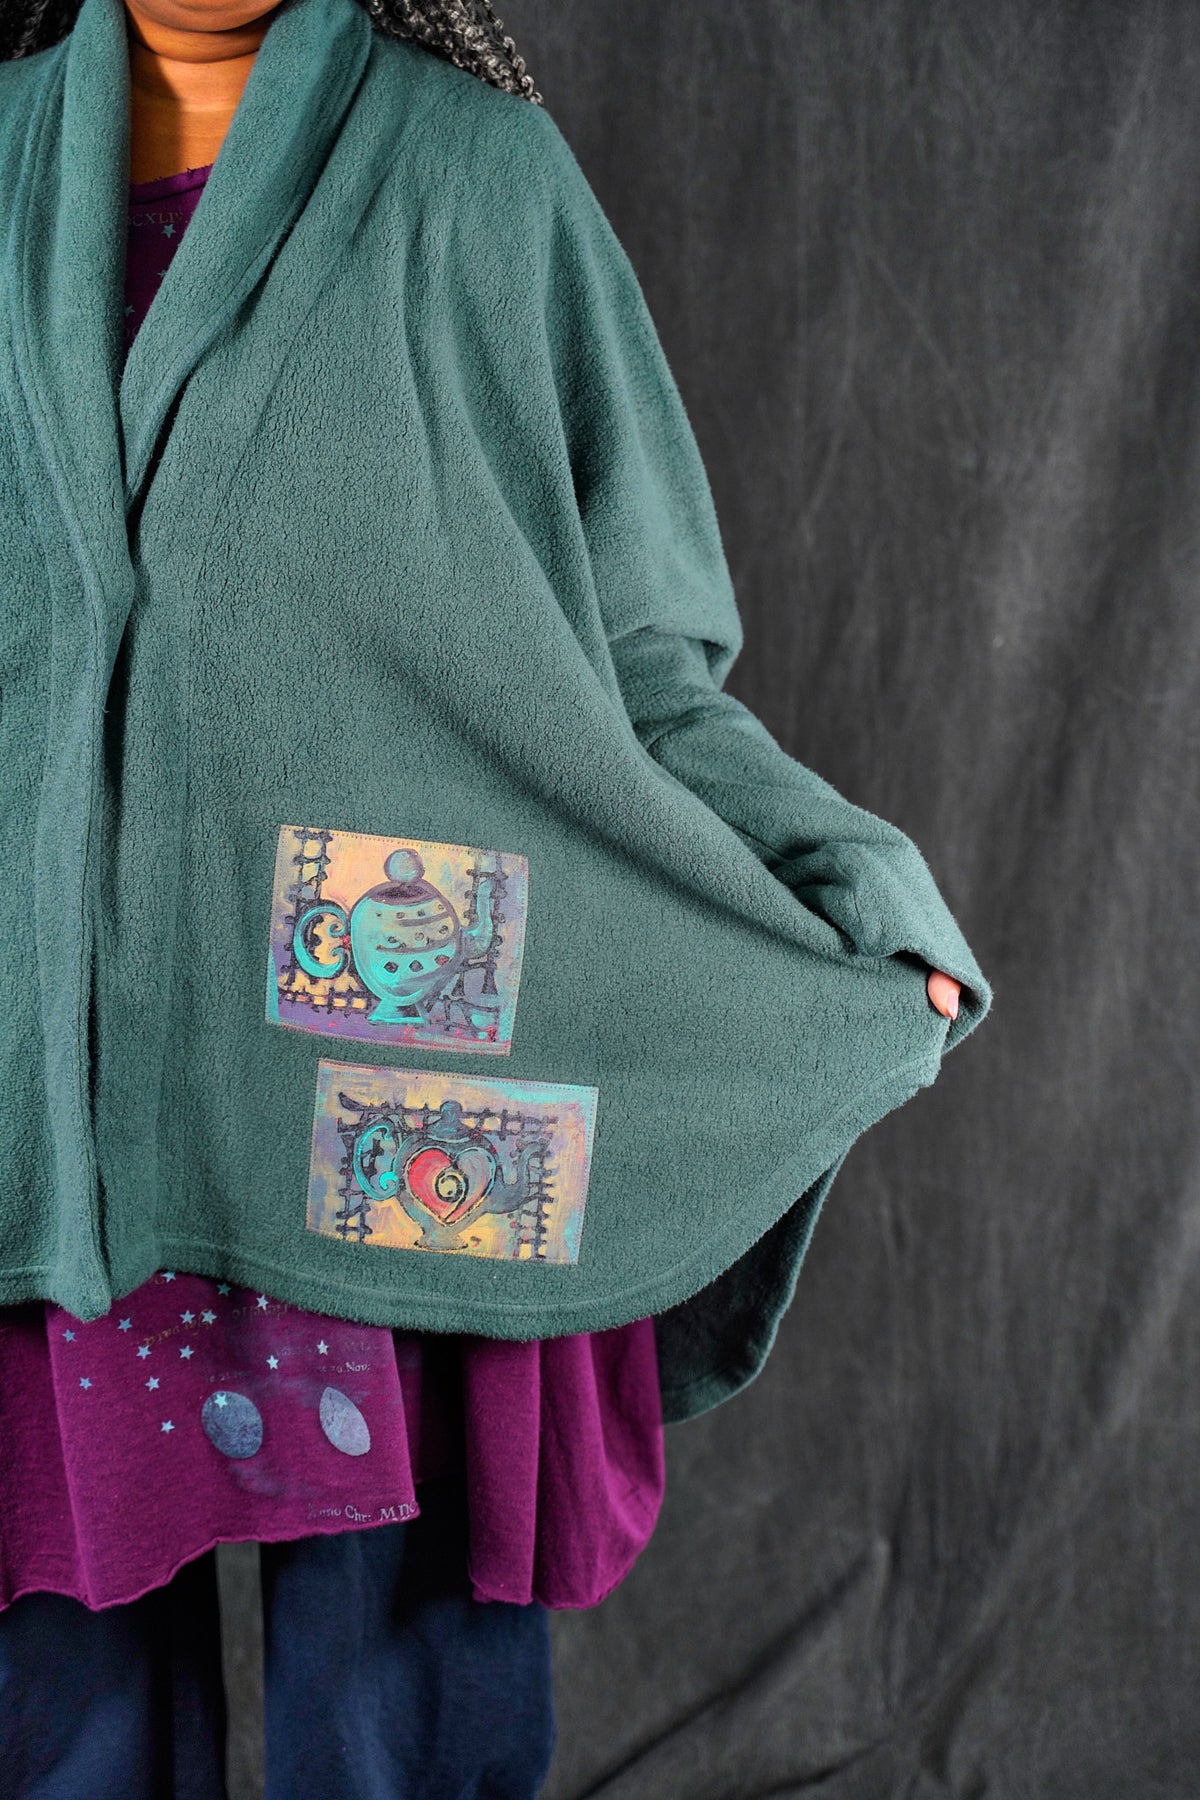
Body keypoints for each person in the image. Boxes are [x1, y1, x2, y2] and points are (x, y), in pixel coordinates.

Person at [0, 0, 967, 1795]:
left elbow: (641, 657)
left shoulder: (477, 178)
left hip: (383, 1046)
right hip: (51, 1091)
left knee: (399, 1703)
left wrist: (842, 884)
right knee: (62, 1716)